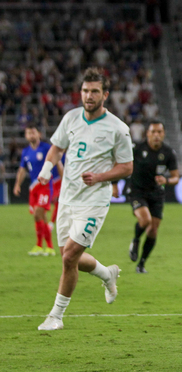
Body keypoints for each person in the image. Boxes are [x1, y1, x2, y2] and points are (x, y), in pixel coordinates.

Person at [36, 67, 134, 331]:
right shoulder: (71, 118)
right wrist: (46, 170)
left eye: (95, 91)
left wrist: (101, 177)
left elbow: (127, 167)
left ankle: (56, 316)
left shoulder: (118, 128)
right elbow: (57, 147)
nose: (89, 96)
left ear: (105, 94)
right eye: (85, 91)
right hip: (67, 199)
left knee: (69, 258)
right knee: (70, 257)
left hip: (94, 200)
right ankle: (106, 273)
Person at [125, 120, 179, 273]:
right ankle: (135, 240)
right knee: (145, 220)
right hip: (137, 191)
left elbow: (176, 177)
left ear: (163, 134)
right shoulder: (136, 149)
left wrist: (166, 180)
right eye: (153, 132)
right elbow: (122, 163)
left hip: (156, 194)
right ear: (147, 134)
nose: (156, 135)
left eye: (159, 132)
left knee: (153, 230)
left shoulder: (168, 153)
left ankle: (141, 264)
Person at [13, 124, 61, 256]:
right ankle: (42, 246)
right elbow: (22, 169)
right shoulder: (26, 152)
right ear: (26, 135)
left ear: (39, 134)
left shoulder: (46, 148)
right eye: (28, 133)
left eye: (33, 132)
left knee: (38, 213)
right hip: (33, 188)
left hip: (45, 185)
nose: (31, 135)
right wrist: (17, 184)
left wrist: (62, 180)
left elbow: (58, 162)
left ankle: (48, 247)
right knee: (40, 217)